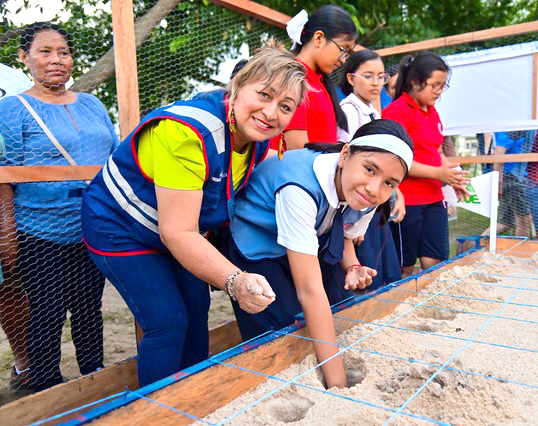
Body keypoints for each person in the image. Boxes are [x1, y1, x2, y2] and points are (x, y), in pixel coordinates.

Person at [81, 45, 307, 387]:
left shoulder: (255, 137)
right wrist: (236, 280)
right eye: (264, 94)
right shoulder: (186, 133)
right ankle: (157, 407)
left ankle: (195, 393)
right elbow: (178, 233)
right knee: (167, 321)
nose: (271, 112)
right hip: (120, 226)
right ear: (237, 85)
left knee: (196, 307)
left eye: (286, 107)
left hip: (174, 231)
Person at [226, 119, 413, 388]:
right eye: (370, 169)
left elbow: (345, 233)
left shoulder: (370, 193)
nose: (374, 188)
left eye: (390, 183)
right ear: (345, 154)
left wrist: (352, 266)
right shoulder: (299, 187)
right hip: (258, 244)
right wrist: (338, 384)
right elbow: (309, 290)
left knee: (339, 306)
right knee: (281, 329)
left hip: (309, 238)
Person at [0, 22, 119, 392]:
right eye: (45, 52)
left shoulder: (91, 104)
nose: (56, 60)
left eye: (63, 52)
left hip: (93, 225)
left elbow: (116, 156)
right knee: (46, 311)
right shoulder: (12, 109)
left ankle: (94, 378)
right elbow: (3, 176)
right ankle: (45, 387)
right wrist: (7, 233)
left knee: (89, 307)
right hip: (39, 229)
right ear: (24, 57)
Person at [382, 51, 469, 276]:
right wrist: (438, 173)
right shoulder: (396, 112)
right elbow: (394, 160)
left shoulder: (432, 112)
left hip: (434, 198)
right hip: (407, 201)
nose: (439, 91)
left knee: (436, 263)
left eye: (443, 86)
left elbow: (435, 150)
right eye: (434, 85)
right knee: (403, 267)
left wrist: (453, 177)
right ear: (415, 82)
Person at [337, 50, 402, 289]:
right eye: (368, 76)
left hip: (374, 204)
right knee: (365, 272)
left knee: (383, 269)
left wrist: (397, 193)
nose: (376, 83)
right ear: (351, 78)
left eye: (380, 76)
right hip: (359, 203)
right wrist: (354, 223)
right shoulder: (349, 110)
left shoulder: (372, 111)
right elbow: (349, 163)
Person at [270, 6, 358, 152]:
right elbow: (296, 149)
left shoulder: (318, 81)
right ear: (318, 38)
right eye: (343, 49)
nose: (344, 60)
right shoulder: (293, 78)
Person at [0, 64, 33, 392]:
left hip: (14, 202)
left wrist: (8, 228)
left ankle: (24, 365)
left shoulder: (11, 77)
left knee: (9, 290)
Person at [483, 131, 535, 237]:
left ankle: (475, 242)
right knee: (524, 221)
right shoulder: (509, 130)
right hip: (511, 178)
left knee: (506, 223)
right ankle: (520, 248)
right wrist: (498, 183)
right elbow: (499, 152)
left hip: (513, 177)